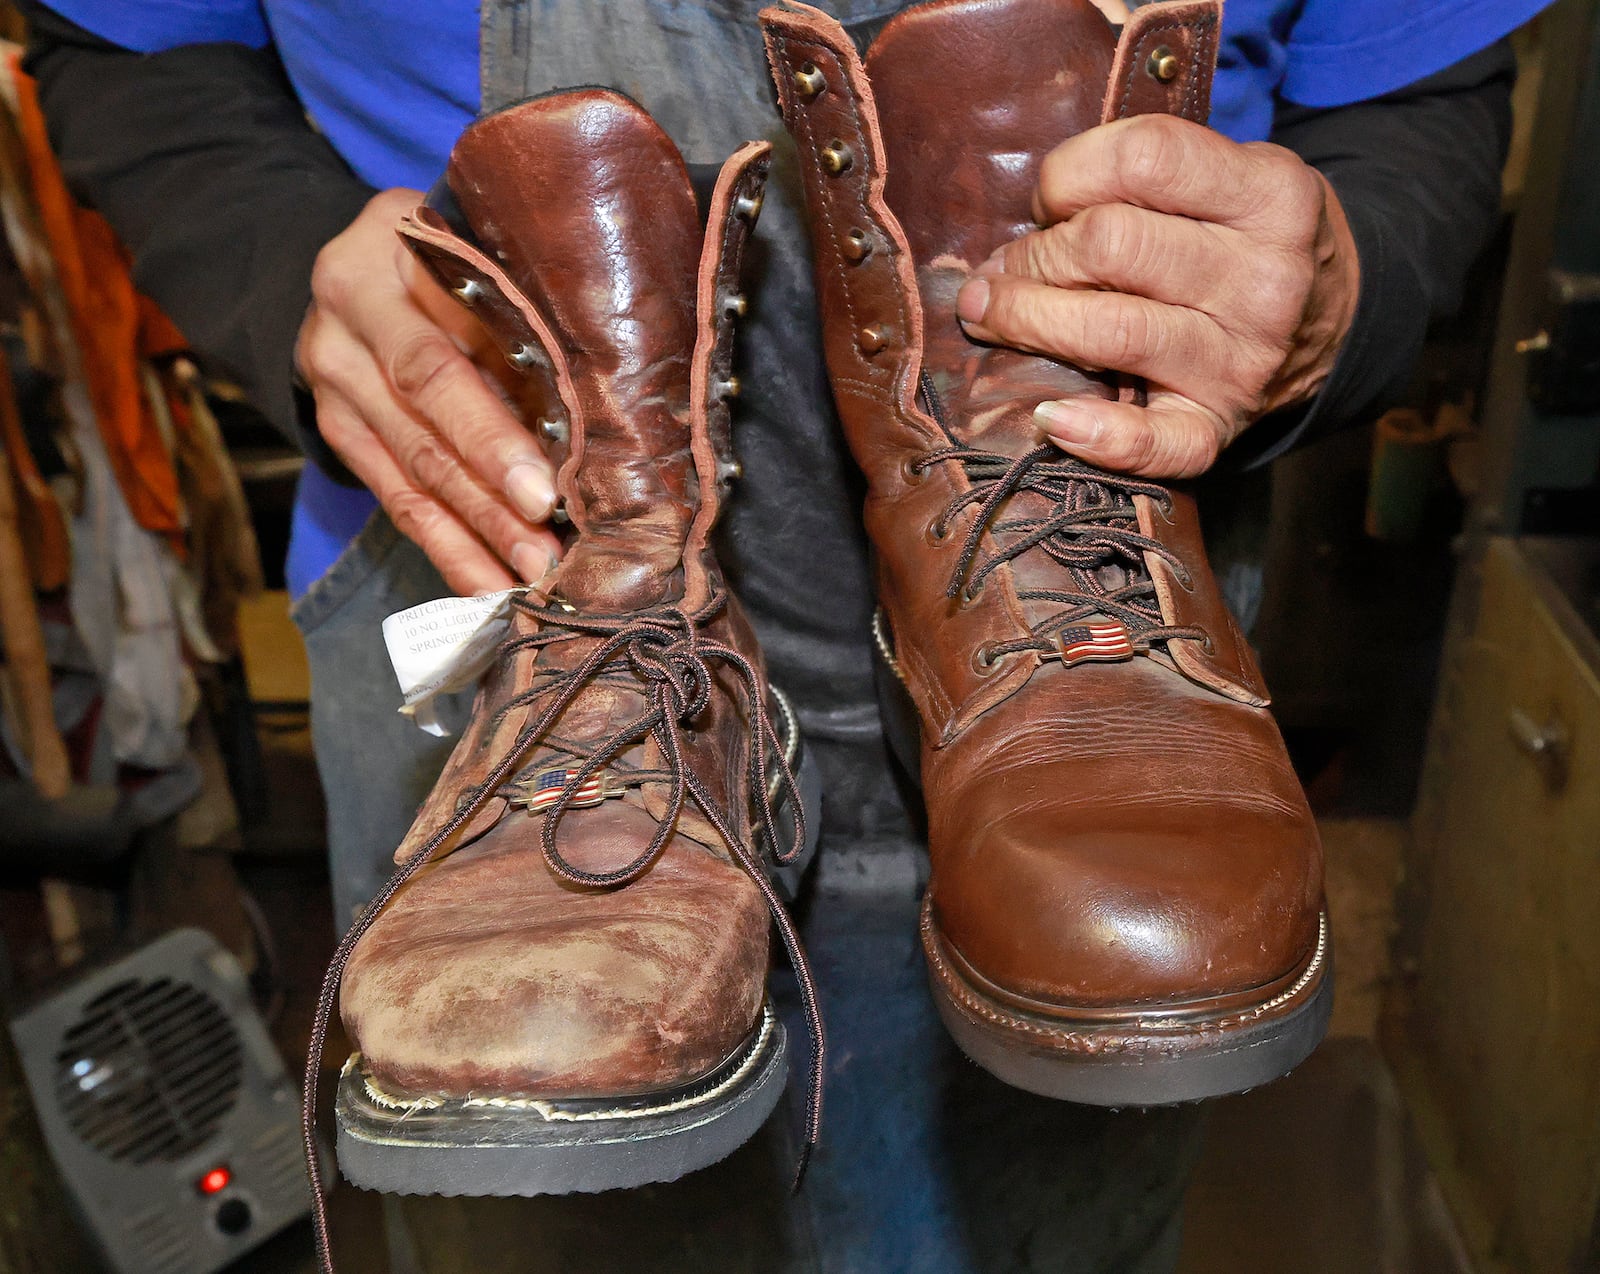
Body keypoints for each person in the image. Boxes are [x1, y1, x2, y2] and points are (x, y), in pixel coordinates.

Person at [20, 1, 1540, 1271]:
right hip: (496, 547)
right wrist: (279, 260)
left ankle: (1034, 554)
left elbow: (1424, 79)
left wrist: (1350, 272)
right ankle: (622, 631)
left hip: (1118, 527)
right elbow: (121, 42)